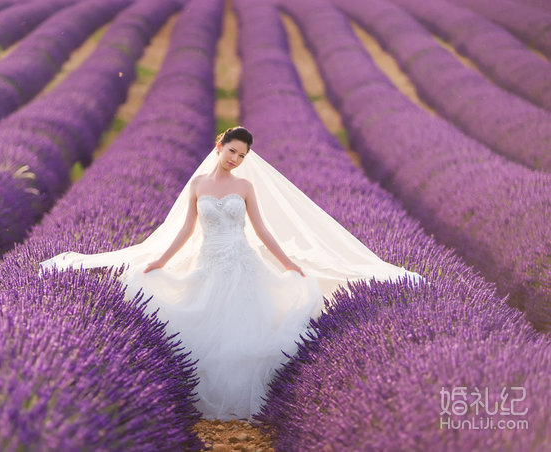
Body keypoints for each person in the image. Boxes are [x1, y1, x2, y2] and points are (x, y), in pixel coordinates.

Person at [39, 126, 425, 421]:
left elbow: (261, 230)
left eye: (242, 155)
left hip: (241, 263)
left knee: (241, 328)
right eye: (232, 151)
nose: (236, 159)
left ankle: (253, 398)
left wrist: (289, 263)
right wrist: (159, 260)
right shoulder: (198, 184)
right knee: (205, 325)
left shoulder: (244, 185)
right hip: (209, 261)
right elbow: (186, 230)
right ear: (219, 147)